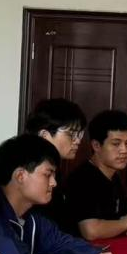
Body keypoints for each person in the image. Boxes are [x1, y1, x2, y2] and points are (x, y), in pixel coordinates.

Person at [0, 134, 121, 254]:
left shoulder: (30, 214)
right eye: (48, 174)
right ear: (20, 176)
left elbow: (59, 243)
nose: (54, 183)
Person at [67, 110, 127, 240]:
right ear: (96, 145)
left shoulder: (113, 176)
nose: (124, 150)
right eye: (116, 144)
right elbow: (91, 231)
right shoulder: (83, 179)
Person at [24, 97, 87, 232]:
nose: (77, 141)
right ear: (44, 136)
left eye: (79, 134)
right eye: (71, 134)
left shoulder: (55, 169)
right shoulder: (29, 171)